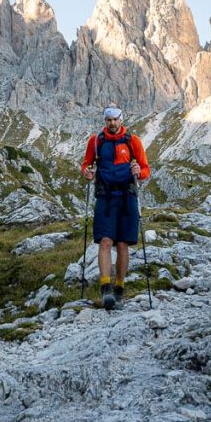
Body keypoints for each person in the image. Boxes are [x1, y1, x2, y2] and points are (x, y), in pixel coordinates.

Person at [81, 105, 150, 310]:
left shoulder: (132, 141)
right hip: (105, 196)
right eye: (108, 120)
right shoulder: (96, 141)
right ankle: (106, 290)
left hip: (127, 196)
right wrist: (87, 172)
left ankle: (119, 289)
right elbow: (86, 164)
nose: (112, 123)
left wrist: (139, 170)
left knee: (122, 244)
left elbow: (146, 170)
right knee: (105, 241)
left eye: (115, 119)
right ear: (105, 121)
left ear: (121, 119)